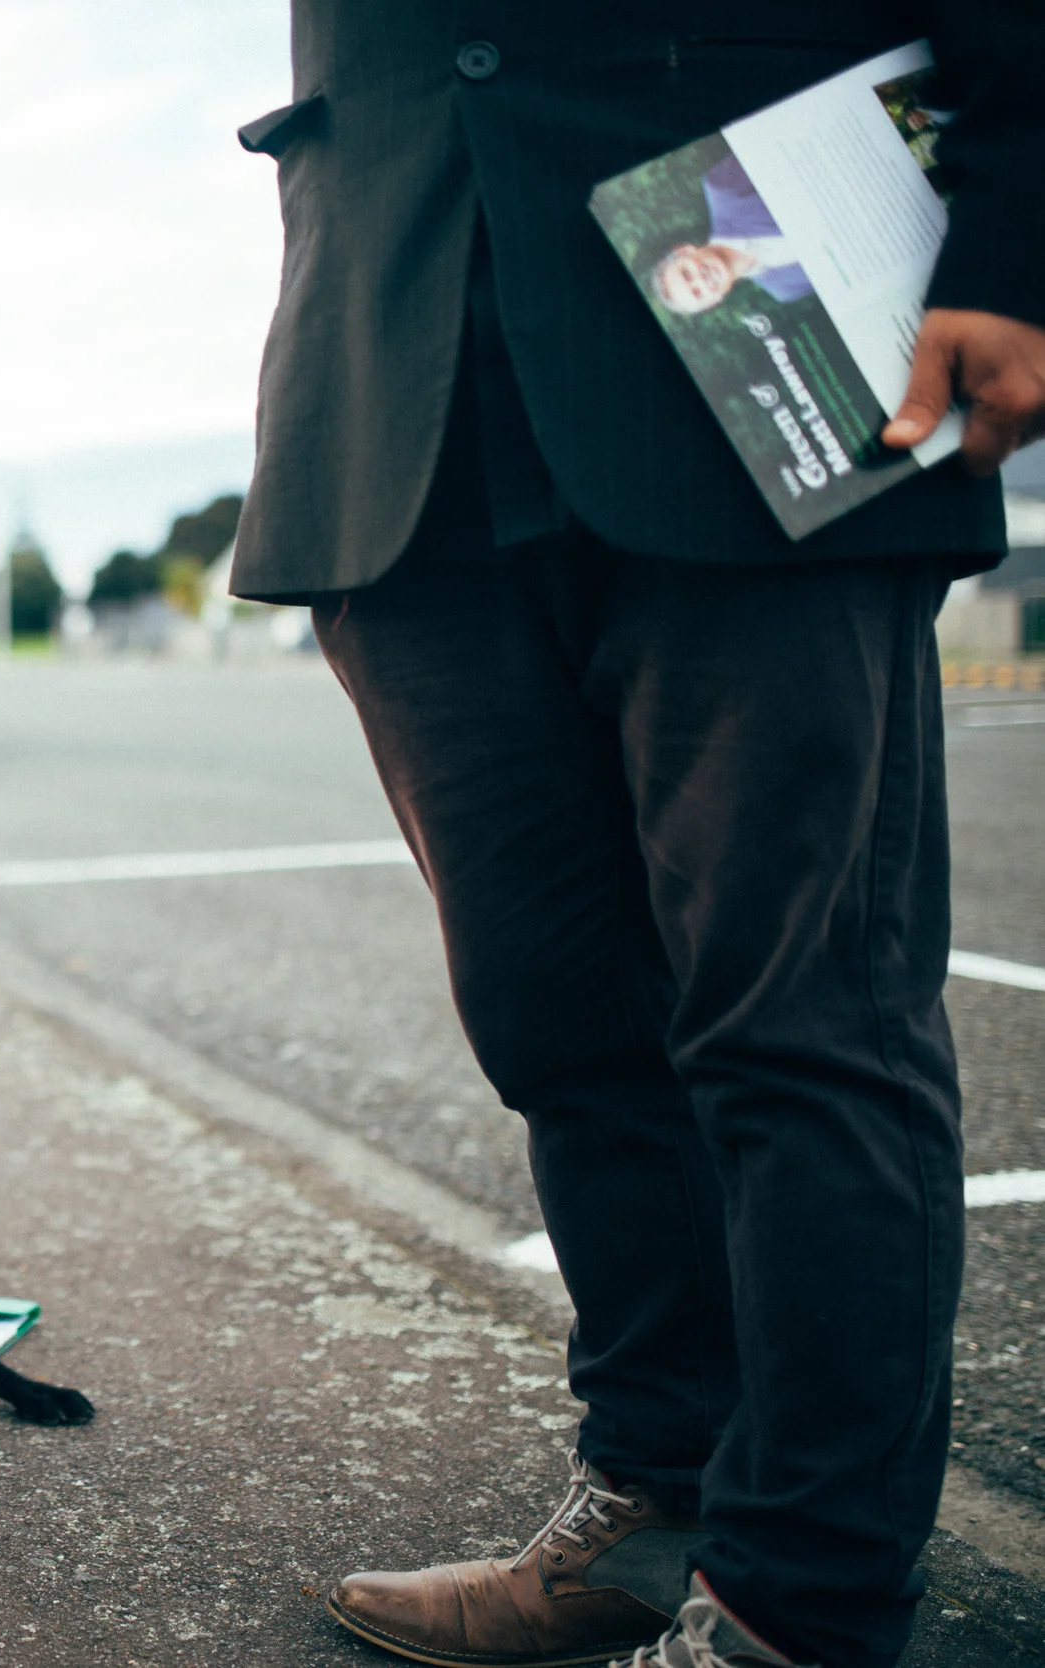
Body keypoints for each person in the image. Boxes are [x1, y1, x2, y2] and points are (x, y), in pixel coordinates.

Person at [232, 9, 1043, 1668]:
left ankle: (796, 1606)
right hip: (401, 398)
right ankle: (654, 1503)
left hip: (762, 327)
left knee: (801, 1027)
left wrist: (1020, 241)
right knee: (561, 1021)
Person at [650, 153, 813, 315]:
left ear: (685, 250)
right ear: (714, 301)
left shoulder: (723, 188)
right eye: (697, 293)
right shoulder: (784, 289)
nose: (700, 280)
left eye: (687, 274)